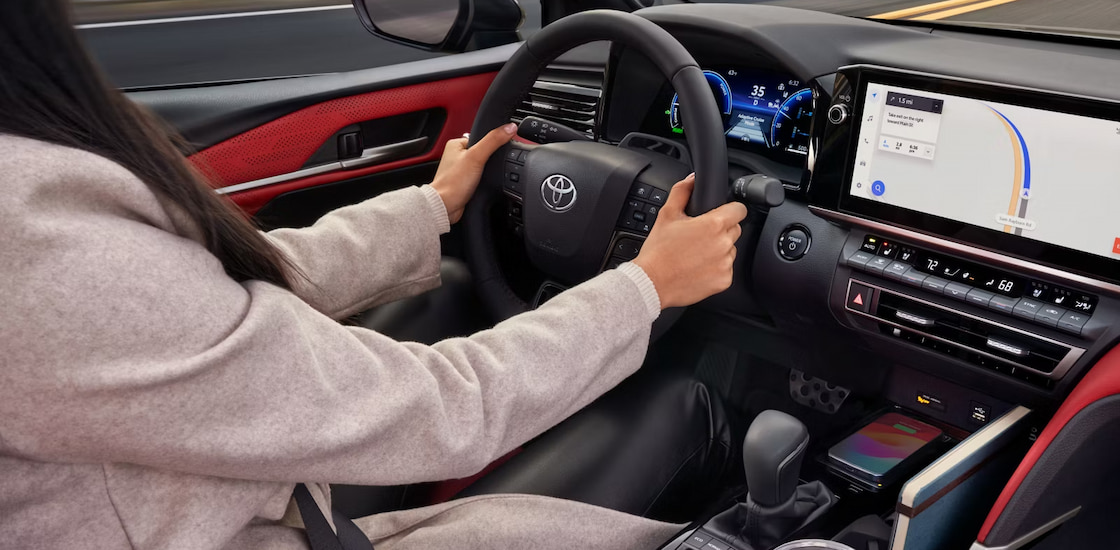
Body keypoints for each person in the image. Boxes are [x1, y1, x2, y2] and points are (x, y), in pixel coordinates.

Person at [0, 1, 747, 549]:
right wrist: (647, 286)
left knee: (449, 287)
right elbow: (446, 407)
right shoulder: (39, 256)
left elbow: (209, 302)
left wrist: (429, 207)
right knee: (682, 404)